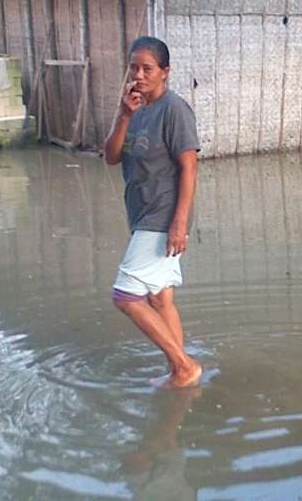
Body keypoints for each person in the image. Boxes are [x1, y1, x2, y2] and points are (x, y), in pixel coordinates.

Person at [104, 36, 202, 388]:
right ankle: (180, 370)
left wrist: (179, 224)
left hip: (162, 216)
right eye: (134, 67)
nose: (139, 75)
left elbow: (189, 167)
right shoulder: (135, 108)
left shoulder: (174, 109)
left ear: (165, 72)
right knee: (160, 298)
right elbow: (111, 156)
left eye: (148, 68)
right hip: (142, 213)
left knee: (126, 295)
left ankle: (184, 367)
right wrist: (124, 116)